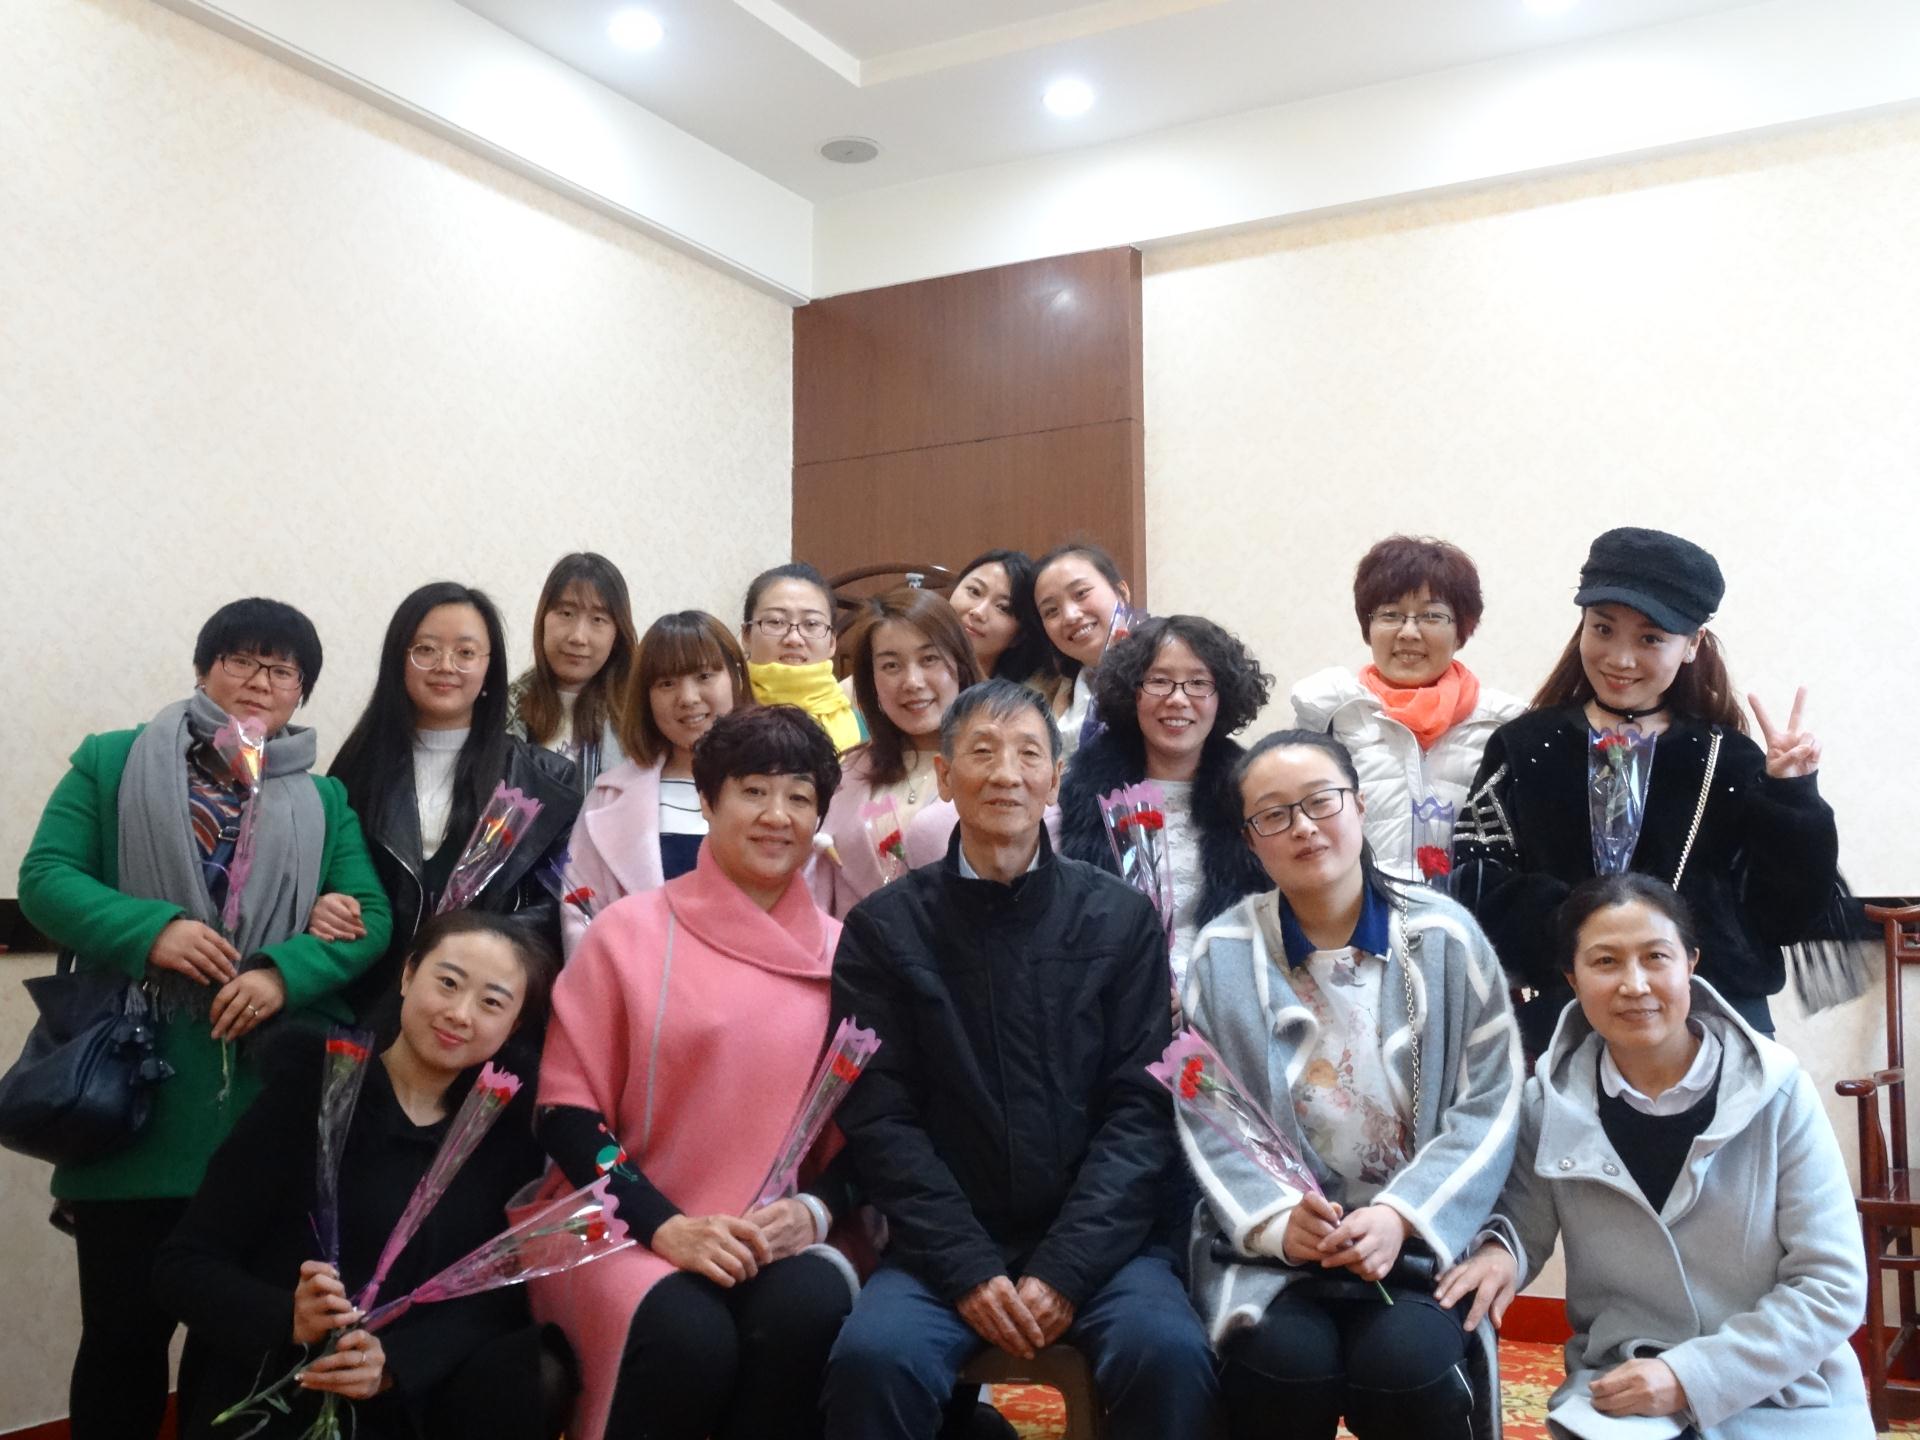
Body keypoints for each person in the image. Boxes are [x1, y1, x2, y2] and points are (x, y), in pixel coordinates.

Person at [17, 597, 393, 1440]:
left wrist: (282, 973)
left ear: (301, 693)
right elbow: (45, 878)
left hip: (261, 1119)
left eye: (282, 670)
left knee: (235, 1354)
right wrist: (152, 929)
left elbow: (370, 917)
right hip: (135, 1107)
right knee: (120, 1343)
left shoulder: (323, 800)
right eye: (242, 660)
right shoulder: (113, 762)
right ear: (203, 668)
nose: (261, 681)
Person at [823, 679, 1219, 1440]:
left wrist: (1067, 1267)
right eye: (982, 752)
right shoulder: (883, 931)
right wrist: (967, 1265)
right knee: (873, 1362)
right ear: (945, 777)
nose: (1006, 773)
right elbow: (879, 1120)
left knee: (1169, 1356)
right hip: (944, 1244)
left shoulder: (1119, 918)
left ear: (1055, 779)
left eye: (1028, 754)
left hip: (1103, 1245)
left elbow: (1141, 1111)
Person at [1436, 875, 1872, 1438]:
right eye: (1606, 962)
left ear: (1691, 963)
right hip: (1626, 1387)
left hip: (1784, 1391)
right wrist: (1500, 1254)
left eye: (1655, 957)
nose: (1634, 984)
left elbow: (1832, 1284)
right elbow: (1522, 1222)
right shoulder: (1549, 1104)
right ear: (1571, 978)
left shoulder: (1779, 1093)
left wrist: (1691, 1377)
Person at [1180, 729, 1520, 1440]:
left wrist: (1401, 1215)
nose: (1303, 827)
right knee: (1282, 1367)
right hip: (1274, 1254)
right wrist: (1278, 1222)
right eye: (1274, 815)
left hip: (1416, 1244)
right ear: (1251, 841)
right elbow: (1208, 1112)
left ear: (1360, 807)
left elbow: (1491, 1101)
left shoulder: (1447, 939)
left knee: (1407, 1369)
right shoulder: (1222, 954)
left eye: (1321, 801)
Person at [530, 706, 856, 1440]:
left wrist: (814, 1211)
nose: (777, 815)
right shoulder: (627, 932)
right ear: (707, 801)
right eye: (753, 791)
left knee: (804, 1316)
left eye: (800, 797)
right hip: (623, 1222)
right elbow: (567, 1116)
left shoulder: (848, 956)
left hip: (779, 1232)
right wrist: (665, 1226)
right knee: (688, 1337)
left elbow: (876, 1126)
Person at [154, 912, 572, 1440]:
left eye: (492, 1003)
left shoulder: (504, 1135)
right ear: (407, 975)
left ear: (514, 1026)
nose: (460, 1014)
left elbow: (496, 1299)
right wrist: (289, 1319)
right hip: (279, 1392)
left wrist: (394, 1363)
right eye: (447, 983)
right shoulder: (310, 1094)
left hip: (404, 1402)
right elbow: (182, 1265)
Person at [1454, 527, 1839, 1050]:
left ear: (1692, 645)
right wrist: (1588, 932)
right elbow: (1477, 878)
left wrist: (1793, 798)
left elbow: (1786, 914)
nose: (1621, 658)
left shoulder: (1732, 758)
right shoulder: (1524, 745)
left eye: (1651, 638)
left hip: (1714, 1020)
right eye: (1603, 628)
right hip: (1567, 1021)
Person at [329, 582, 580, 1014]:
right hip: (362, 1003)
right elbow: (327, 873)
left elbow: (556, 910)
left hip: (480, 1011)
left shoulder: (545, 782)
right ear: (399, 661)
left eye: (465, 652)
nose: (445, 666)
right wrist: (324, 905)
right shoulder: (357, 768)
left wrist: (480, 954)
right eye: (425, 650)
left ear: (488, 669)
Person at [1290, 536, 1523, 885]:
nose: (1409, 632)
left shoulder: (1502, 726)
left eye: (1432, 616)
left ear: (1461, 631)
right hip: (1357, 909)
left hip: (1468, 912)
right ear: (1368, 627)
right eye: (1390, 615)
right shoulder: (1331, 714)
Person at [1058, 614, 1273, 990]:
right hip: (1113, 993)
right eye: (1159, 681)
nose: (1178, 699)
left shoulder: (1254, 792)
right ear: (1133, 691)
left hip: (1233, 991)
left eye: (1198, 683)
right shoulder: (1082, 791)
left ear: (1222, 696)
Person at [555, 610, 749, 954]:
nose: (688, 697)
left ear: (736, 678)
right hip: (636, 981)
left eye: (704, 675)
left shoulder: (780, 788)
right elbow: (580, 918)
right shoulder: (606, 798)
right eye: (666, 683)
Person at [815, 588, 981, 917]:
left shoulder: (998, 769)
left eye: (929, 659)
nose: (912, 682)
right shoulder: (846, 772)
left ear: (960, 665)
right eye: (891, 665)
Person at [506, 553, 638, 792]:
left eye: (598, 619)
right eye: (566, 613)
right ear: (543, 619)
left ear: (617, 634)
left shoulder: (638, 717)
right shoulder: (505, 708)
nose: (578, 637)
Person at [740, 561, 863, 752]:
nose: (794, 639)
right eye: (776, 621)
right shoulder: (720, 714)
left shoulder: (867, 729)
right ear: (747, 635)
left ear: (832, 642)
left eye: (811, 624)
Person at [1032, 543, 1134, 762]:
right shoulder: (1048, 698)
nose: (1070, 616)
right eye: (1051, 611)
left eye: (1081, 593)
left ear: (1122, 592)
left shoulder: (1167, 671)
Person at [945, 548, 1062, 696]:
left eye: (1002, 608)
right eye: (974, 591)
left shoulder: (1022, 701)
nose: (979, 612)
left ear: (1019, 636)